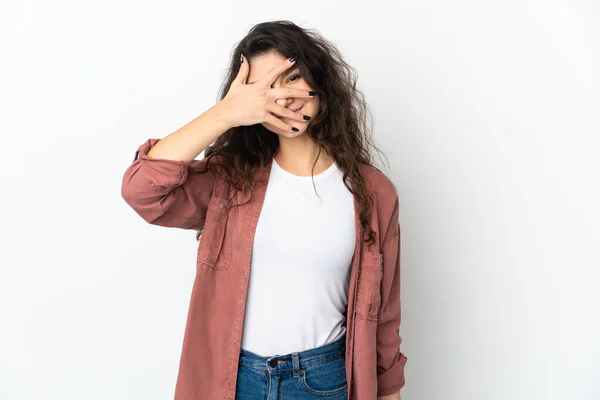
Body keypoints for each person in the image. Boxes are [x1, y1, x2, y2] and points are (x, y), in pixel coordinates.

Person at [121, 20, 407, 400]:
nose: (284, 98)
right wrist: (224, 114)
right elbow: (142, 190)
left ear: (319, 80)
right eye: (263, 89)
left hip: (325, 380)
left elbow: (384, 319)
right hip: (234, 380)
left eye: (291, 78)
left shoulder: (373, 193)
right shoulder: (229, 180)